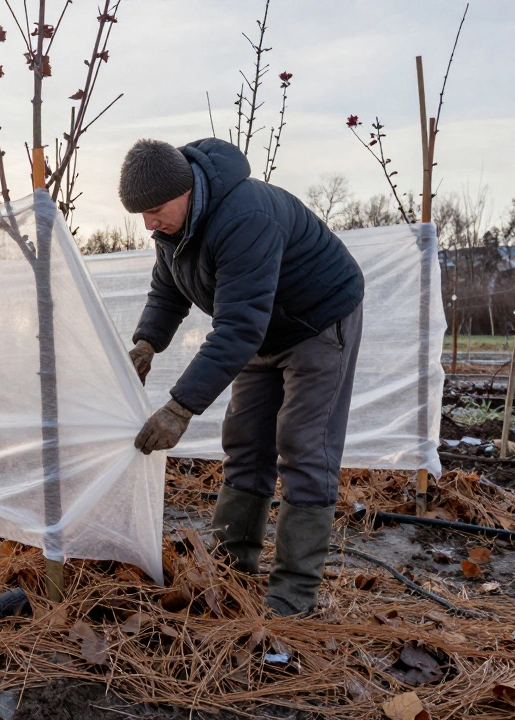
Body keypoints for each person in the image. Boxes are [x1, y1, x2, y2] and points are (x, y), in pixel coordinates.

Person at [119, 137, 365, 616]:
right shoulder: (173, 230)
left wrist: (181, 406)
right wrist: (147, 342)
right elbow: (168, 292)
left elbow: (237, 327)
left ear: (185, 189)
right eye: (140, 215)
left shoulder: (245, 217)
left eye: (154, 210)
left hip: (318, 321)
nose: (149, 223)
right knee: (246, 439)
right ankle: (232, 570)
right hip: (263, 329)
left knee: (303, 443)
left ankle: (292, 596)